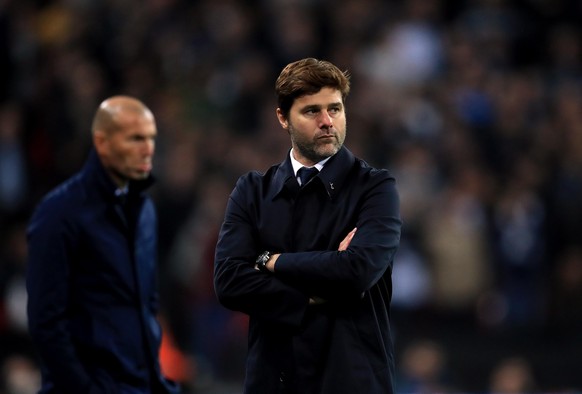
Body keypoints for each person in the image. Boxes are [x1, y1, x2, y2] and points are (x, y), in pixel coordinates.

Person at [214, 58, 402, 394]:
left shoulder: (375, 187)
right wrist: (314, 293)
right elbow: (229, 281)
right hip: (274, 381)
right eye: (312, 111)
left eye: (335, 108)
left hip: (351, 381)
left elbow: (357, 270)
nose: (328, 122)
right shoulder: (253, 191)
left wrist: (270, 261)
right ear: (282, 118)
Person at [26, 96, 180, 394]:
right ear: (103, 143)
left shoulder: (145, 211)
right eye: (135, 138)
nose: (148, 149)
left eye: (150, 138)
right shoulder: (59, 213)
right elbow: (46, 323)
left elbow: (145, 305)